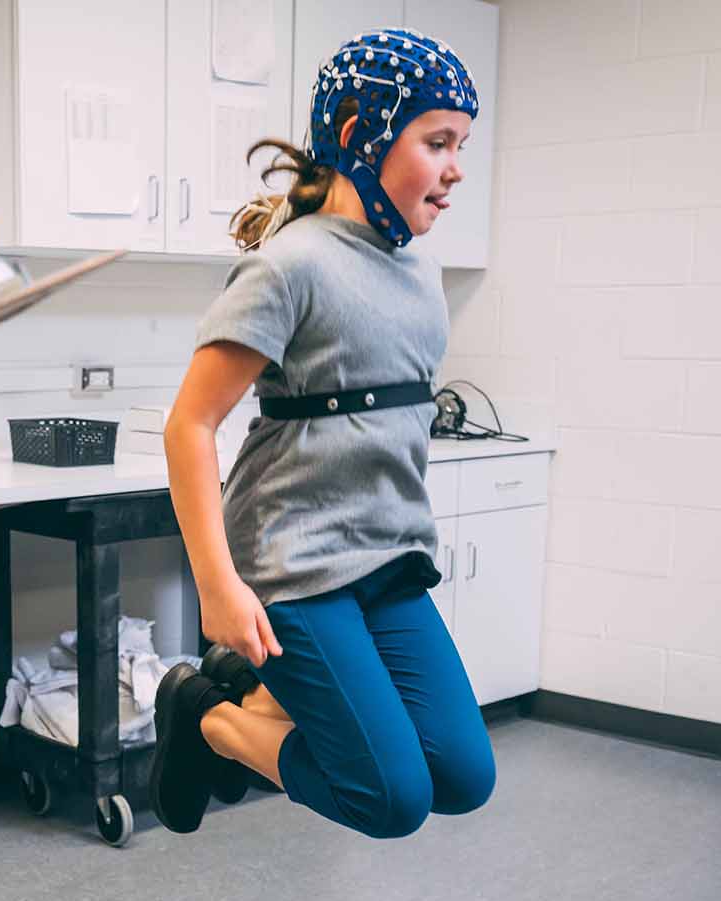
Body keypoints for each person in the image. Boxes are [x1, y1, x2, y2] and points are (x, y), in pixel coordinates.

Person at [150, 28, 497, 839]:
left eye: (461, 146)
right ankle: (205, 714)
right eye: (437, 143)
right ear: (359, 137)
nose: (455, 169)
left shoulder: (423, 273)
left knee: (462, 774)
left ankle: (254, 691)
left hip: (388, 554)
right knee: (390, 798)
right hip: (296, 560)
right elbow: (189, 425)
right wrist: (217, 587)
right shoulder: (290, 266)